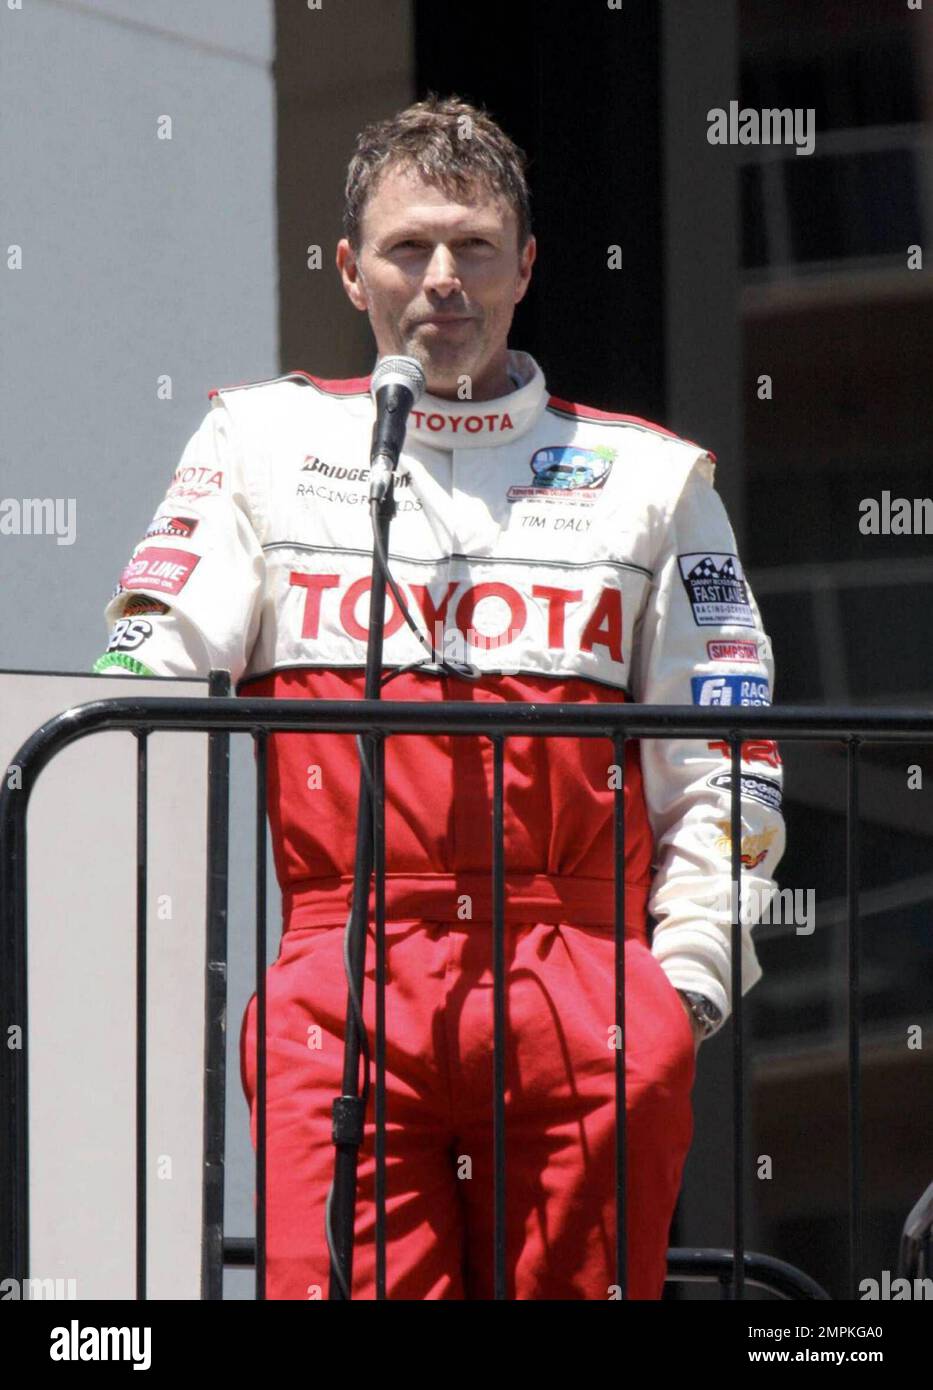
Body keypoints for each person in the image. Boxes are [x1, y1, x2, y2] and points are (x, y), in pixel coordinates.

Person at [94, 95, 785, 1300]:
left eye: (473, 247)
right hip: (339, 964)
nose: (443, 278)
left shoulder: (652, 479)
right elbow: (141, 690)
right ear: (352, 269)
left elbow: (727, 751)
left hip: (586, 977)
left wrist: (685, 985)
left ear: (525, 266)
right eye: (410, 247)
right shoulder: (256, 445)